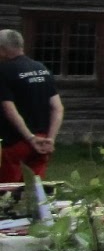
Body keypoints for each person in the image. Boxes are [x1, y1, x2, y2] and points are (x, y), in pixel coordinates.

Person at [0, 30, 64, 185]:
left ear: (2, 50)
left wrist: (30, 137)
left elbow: (9, 109)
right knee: (34, 191)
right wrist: (50, 139)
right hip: (43, 141)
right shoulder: (42, 68)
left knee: (7, 191)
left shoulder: (3, 71)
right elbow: (57, 108)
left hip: (13, 143)